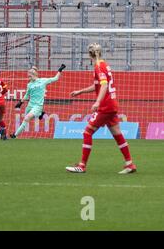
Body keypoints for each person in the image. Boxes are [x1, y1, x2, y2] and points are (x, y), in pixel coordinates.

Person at [66, 43, 136, 174]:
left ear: (89, 55)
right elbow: (98, 85)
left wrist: (97, 102)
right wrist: (80, 91)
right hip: (112, 104)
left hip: (106, 105)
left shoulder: (98, 66)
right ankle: (130, 164)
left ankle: (82, 165)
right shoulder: (104, 64)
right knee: (117, 134)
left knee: (87, 132)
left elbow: (104, 86)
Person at [10, 64, 66, 139]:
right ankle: (40, 114)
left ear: (33, 75)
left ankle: (14, 135)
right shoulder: (29, 85)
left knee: (27, 118)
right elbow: (27, 95)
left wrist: (60, 70)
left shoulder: (43, 81)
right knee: (26, 120)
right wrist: (20, 102)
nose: (28, 78)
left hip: (38, 106)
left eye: (29, 76)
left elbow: (55, 78)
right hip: (30, 105)